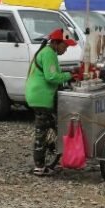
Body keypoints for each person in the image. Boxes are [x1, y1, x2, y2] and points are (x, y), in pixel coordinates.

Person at [24, 28, 77, 176]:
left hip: (38, 95)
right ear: (55, 43)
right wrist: (69, 75)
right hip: (41, 97)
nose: (65, 50)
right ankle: (39, 167)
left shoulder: (48, 52)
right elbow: (51, 77)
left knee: (54, 126)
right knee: (42, 131)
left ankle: (58, 155)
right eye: (64, 46)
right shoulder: (48, 54)